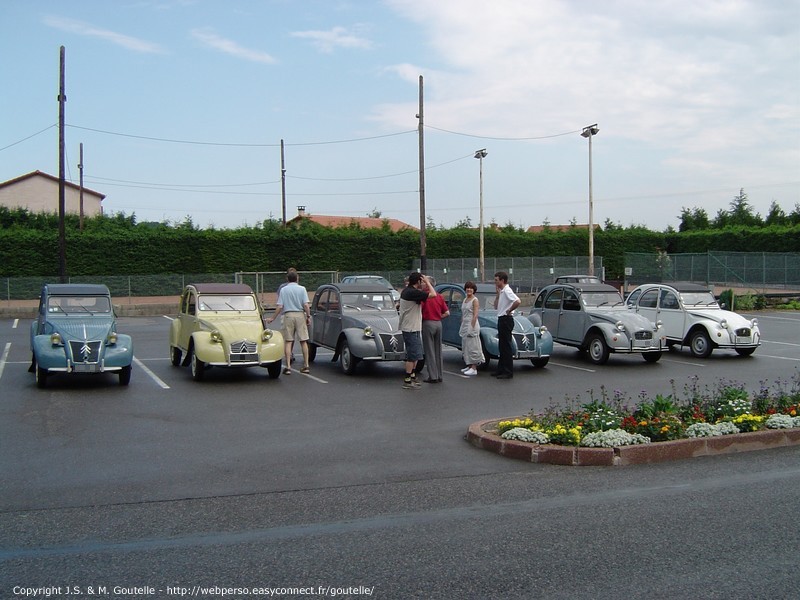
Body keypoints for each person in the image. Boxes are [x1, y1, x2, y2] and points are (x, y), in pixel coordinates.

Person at [267, 270, 311, 374]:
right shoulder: (302, 289)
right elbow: (306, 305)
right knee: (303, 341)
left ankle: (288, 367)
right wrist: (308, 316)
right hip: (300, 314)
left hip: (288, 315)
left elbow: (280, 306)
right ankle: (306, 365)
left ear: (287, 279)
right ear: (297, 278)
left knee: (288, 341)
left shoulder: (284, 290)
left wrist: (272, 318)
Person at [398, 272, 436, 389]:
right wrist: (428, 282)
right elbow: (433, 294)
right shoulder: (412, 292)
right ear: (418, 281)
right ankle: (407, 379)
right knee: (412, 355)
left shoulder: (409, 291)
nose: (423, 283)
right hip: (410, 328)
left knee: (416, 354)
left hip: (413, 326)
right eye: (422, 281)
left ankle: (413, 376)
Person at [421, 278, 450, 383]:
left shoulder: (425, 296)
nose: (422, 284)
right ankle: (439, 374)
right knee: (438, 349)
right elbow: (447, 312)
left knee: (429, 350)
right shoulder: (439, 296)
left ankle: (432, 376)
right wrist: (438, 316)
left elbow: (420, 310)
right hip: (438, 322)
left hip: (428, 322)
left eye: (424, 282)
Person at [493, 271, 520, 379]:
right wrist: (497, 295)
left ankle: (508, 371)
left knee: (506, 346)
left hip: (506, 319)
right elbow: (496, 307)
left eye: (496, 280)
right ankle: (501, 369)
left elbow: (518, 301)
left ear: (502, 280)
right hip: (501, 318)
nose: (495, 282)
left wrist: (509, 310)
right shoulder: (502, 291)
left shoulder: (508, 290)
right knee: (502, 346)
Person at [459, 281, 483, 376]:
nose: (469, 290)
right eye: (467, 288)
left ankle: (474, 368)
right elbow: (463, 313)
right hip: (464, 324)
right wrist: (462, 324)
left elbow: (475, 314)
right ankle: (468, 365)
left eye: (471, 288)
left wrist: (472, 327)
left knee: (473, 346)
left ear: (474, 290)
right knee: (465, 346)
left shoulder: (475, 300)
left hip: (472, 324)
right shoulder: (465, 299)